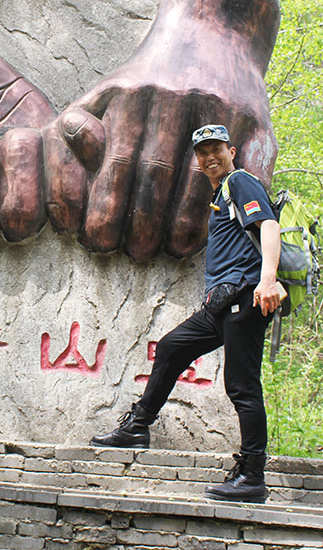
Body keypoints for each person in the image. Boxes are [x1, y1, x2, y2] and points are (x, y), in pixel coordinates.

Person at [89, 123, 283, 504]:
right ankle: (138, 426)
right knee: (173, 348)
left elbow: (270, 226)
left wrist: (268, 280)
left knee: (242, 386)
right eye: (202, 151)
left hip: (246, 298)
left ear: (231, 150)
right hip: (221, 305)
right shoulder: (221, 193)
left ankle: (252, 476)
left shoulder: (241, 181)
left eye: (216, 149)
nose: (209, 157)